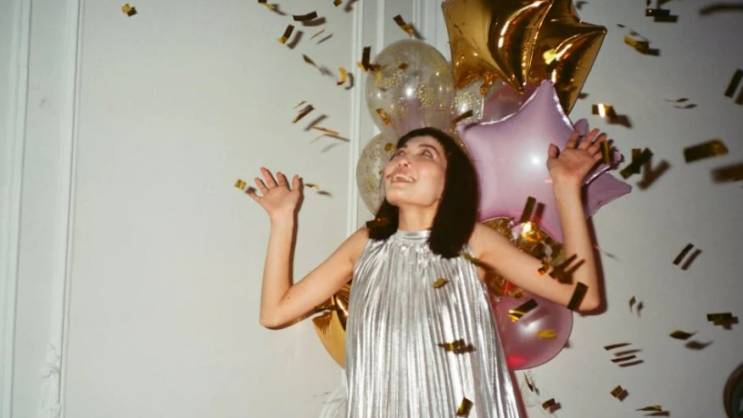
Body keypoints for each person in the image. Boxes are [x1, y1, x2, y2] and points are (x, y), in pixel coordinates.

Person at [248, 126, 606, 417]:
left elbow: (584, 295)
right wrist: (282, 219)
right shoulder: (365, 243)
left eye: (426, 154)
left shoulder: (472, 241)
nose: (402, 160)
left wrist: (566, 187)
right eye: (399, 153)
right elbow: (275, 312)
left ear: (449, 184)